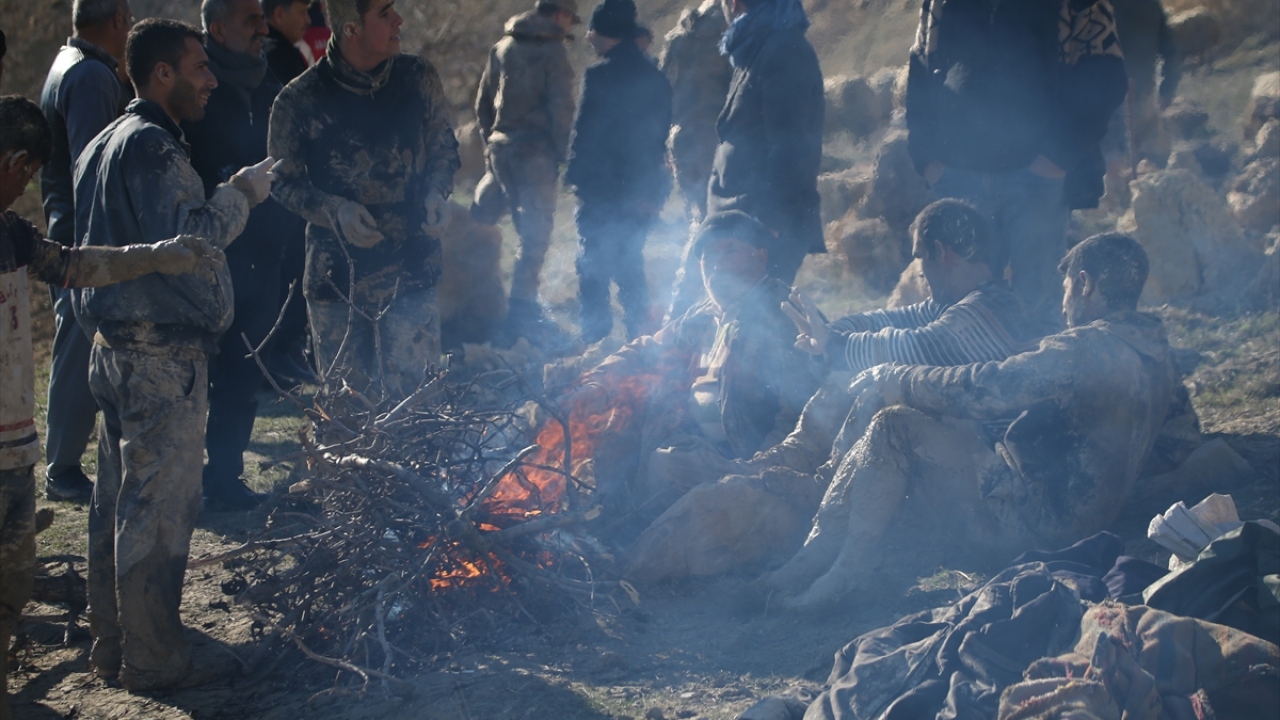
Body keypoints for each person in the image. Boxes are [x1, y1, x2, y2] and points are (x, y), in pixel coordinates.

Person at [625, 199, 1036, 583]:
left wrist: (834, 346)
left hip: (995, 487)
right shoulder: (948, 304)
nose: (920, 273)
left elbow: (924, 344)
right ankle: (783, 472)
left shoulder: (992, 307)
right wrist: (832, 333)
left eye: (918, 258)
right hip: (960, 470)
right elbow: (880, 322)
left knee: (875, 399)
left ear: (940, 253)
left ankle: (798, 497)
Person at [764, 234, 1182, 610]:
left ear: (1086, 283)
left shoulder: (1086, 348)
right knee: (932, 418)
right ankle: (817, 554)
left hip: (1038, 524)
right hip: (1090, 517)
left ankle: (841, 572)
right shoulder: (1154, 350)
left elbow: (988, 388)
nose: (1063, 303)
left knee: (895, 426)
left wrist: (897, 376)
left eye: (1068, 288)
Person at [0, 94, 222, 720]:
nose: (23, 188)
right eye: (24, 174)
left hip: (13, 442)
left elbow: (72, 265)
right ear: (16, 161)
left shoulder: (12, 235)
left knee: (13, 576)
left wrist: (153, 257)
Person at [73, 18, 277, 690]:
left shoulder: (100, 145)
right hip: (159, 360)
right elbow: (189, 245)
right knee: (156, 514)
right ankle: (154, 660)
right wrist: (239, 195)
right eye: (198, 67)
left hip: (110, 349)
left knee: (114, 506)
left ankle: (112, 645)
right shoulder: (156, 151)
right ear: (162, 73)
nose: (212, 79)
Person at [566, 211, 822, 538]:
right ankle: (611, 520)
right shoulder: (703, 316)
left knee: (667, 464)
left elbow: (801, 413)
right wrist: (596, 383)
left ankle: (634, 533)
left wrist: (756, 470)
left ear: (760, 257)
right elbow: (649, 349)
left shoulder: (783, 314)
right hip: (693, 443)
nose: (716, 262)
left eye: (729, 250)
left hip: (742, 458)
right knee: (622, 414)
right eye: (707, 254)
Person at [269, 0, 459, 401]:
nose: (399, 19)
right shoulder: (300, 99)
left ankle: (414, 469)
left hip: (412, 270)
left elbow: (444, 148)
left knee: (416, 408)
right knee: (345, 414)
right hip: (336, 280)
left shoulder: (418, 77)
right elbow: (280, 182)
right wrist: (334, 209)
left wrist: (436, 191)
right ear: (352, 29)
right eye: (385, 13)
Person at [906, 0, 1127, 334]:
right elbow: (921, 64)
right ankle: (967, 384)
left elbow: (1105, 72)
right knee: (962, 310)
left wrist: (1056, 158)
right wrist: (929, 160)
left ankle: (1037, 385)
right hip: (958, 177)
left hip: (1036, 179)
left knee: (1036, 307)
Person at [185, 0, 302, 510]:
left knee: (243, 375)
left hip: (267, 256)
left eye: (262, 16)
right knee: (192, 378)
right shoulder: (195, 91)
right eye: (250, 19)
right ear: (217, 28)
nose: (262, 27)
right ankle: (180, 480)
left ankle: (225, 479)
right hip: (208, 258)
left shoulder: (273, 85)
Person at [666, 0, 824, 320]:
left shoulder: (783, 50)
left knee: (756, 329)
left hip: (760, 224)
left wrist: (769, 223)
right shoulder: (756, 47)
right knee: (732, 324)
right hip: (739, 219)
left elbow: (791, 144)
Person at [38, 0, 134, 502]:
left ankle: (65, 461)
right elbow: (92, 166)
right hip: (83, 236)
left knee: (74, 342)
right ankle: (64, 468)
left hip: (67, 228)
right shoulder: (93, 77)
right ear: (118, 18)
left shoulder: (65, 63)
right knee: (79, 346)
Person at [470, 0, 579, 348]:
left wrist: (492, 143)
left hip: (501, 150)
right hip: (535, 154)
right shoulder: (553, 52)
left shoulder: (502, 46)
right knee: (535, 236)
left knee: (501, 225)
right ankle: (519, 317)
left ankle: (477, 302)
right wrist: (567, 157)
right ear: (560, 14)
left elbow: (482, 104)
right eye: (569, 20)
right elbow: (562, 111)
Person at [564, 0, 672, 344]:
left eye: (592, 31)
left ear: (605, 32)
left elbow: (585, 133)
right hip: (640, 190)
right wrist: (653, 193)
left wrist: (576, 179)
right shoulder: (656, 77)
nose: (588, 38)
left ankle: (595, 338)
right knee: (630, 264)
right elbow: (659, 141)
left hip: (602, 189)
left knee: (592, 265)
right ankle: (641, 339)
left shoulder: (599, 77)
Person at [659, 0, 731, 223]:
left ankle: (696, 254)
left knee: (698, 214)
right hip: (720, 139)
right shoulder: (732, 37)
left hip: (682, 139)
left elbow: (663, 93)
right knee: (726, 217)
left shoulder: (678, 36)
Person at [263, 0, 310, 84]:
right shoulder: (279, 57)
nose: (308, 20)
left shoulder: (258, 49)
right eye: (302, 12)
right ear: (279, 14)